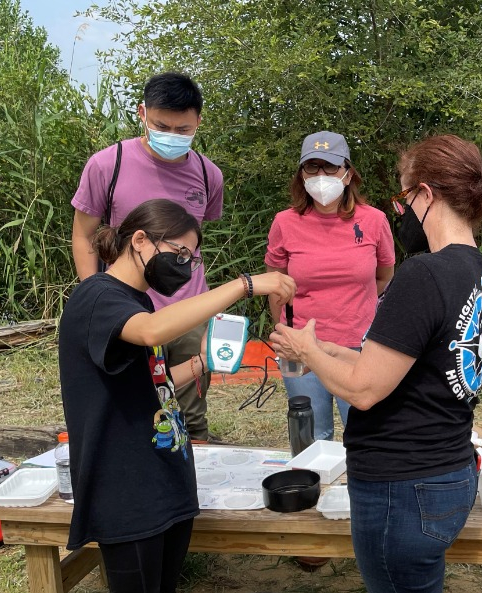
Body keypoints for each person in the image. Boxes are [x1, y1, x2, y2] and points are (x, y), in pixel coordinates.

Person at [270, 135, 482, 592]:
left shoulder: (422, 273)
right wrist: (329, 350)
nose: (399, 212)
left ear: (426, 195)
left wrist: (308, 350)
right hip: (447, 473)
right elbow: (410, 367)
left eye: (403, 197)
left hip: (403, 490)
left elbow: (363, 390)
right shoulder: (474, 268)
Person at [59, 199, 295, 593]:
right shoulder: (96, 297)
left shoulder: (139, 300)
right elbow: (152, 332)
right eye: (179, 252)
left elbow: (153, 380)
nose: (184, 265)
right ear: (139, 240)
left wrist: (204, 362)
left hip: (164, 480)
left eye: (191, 257)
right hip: (126, 491)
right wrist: (246, 285)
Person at [69, 72, 224, 443]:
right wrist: (96, 297)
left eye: (182, 128)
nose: (171, 134)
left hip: (188, 309)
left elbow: (195, 241)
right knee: (133, 410)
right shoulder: (109, 164)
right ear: (142, 113)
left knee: (187, 414)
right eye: (161, 125)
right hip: (129, 311)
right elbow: (83, 234)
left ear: (198, 122)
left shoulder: (208, 174)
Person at [265, 131, 395, 441]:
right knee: (311, 434)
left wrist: (354, 308)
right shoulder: (284, 222)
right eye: (313, 167)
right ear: (302, 174)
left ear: (348, 174)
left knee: (364, 435)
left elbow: (385, 276)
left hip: (360, 347)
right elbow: (275, 285)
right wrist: (284, 332)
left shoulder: (374, 221)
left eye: (331, 167)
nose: (321, 175)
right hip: (300, 347)